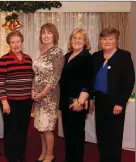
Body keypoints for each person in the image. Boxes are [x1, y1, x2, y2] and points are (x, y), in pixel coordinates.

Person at [91, 27, 135, 162]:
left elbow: (129, 80)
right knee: (101, 133)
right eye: (104, 39)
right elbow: (91, 78)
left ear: (116, 40)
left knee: (114, 134)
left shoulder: (124, 55)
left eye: (111, 39)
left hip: (115, 102)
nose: (107, 41)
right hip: (100, 100)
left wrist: (120, 102)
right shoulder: (96, 56)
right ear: (100, 41)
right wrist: (92, 98)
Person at [0, 30, 34, 162]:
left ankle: (20, 154)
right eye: (13, 42)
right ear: (9, 44)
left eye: (18, 41)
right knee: (11, 130)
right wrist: (4, 102)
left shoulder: (29, 59)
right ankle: (11, 156)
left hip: (26, 101)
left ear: (22, 42)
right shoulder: (4, 59)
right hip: (10, 102)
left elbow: (32, 79)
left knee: (23, 129)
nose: (16, 44)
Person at [59, 28, 93, 162]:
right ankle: (69, 158)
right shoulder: (67, 56)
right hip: (65, 101)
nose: (77, 40)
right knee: (68, 133)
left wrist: (80, 101)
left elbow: (88, 81)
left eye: (80, 38)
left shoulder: (86, 57)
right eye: (74, 38)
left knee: (76, 135)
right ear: (70, 40)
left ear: (85, 42)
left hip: (77, 101)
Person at [32, 23, 64, 162]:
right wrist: (33, 90)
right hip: (37, 95)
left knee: (47, 127)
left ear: (54, 35)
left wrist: (42, 93)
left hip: (49, 96)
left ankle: (50, 154)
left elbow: (55, 77)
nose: (45, 35)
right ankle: (44, 151)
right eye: (43, 32)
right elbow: (36, 74)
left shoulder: (57, 52)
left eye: (49, 33)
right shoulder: (39, 52)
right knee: (40, 126)